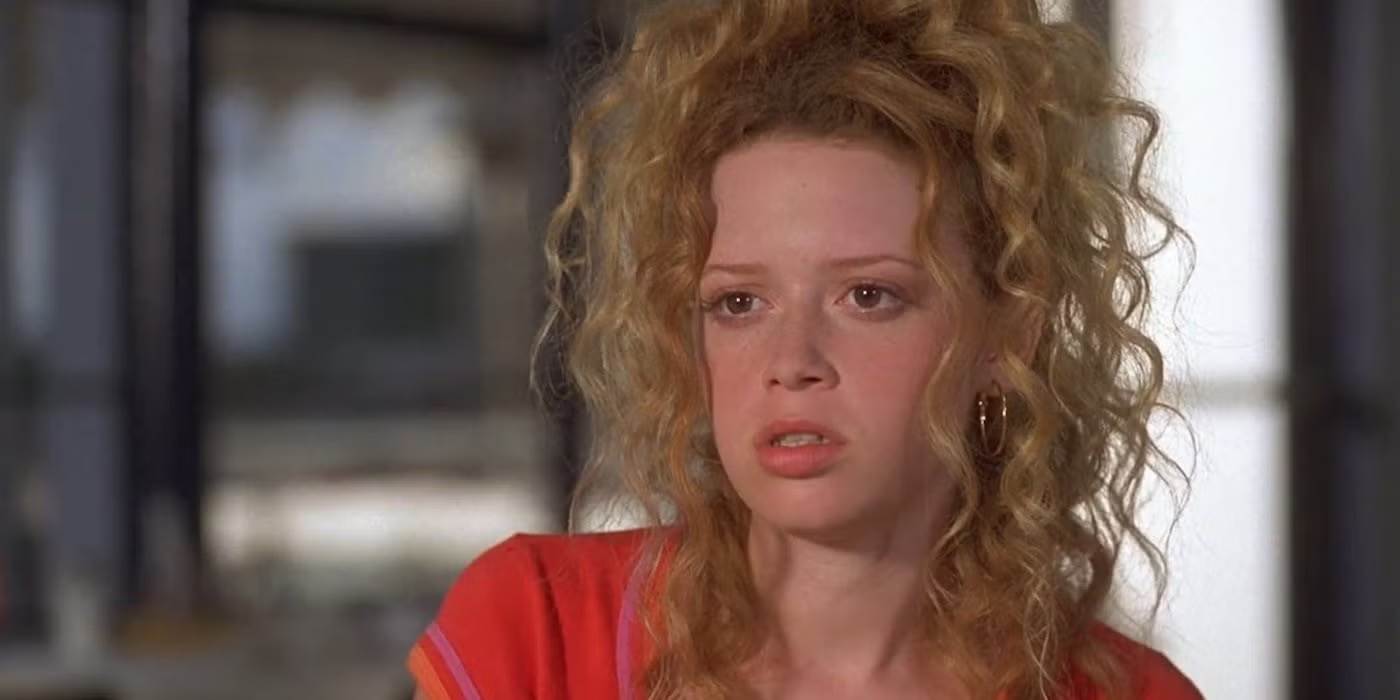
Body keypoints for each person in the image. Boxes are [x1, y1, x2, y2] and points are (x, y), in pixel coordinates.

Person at [408, 0, 1202, 698]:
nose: (792, 362)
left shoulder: (1129, 695)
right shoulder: (537, 631)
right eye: (739, 303)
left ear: (1008, 336)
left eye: (868, 296)